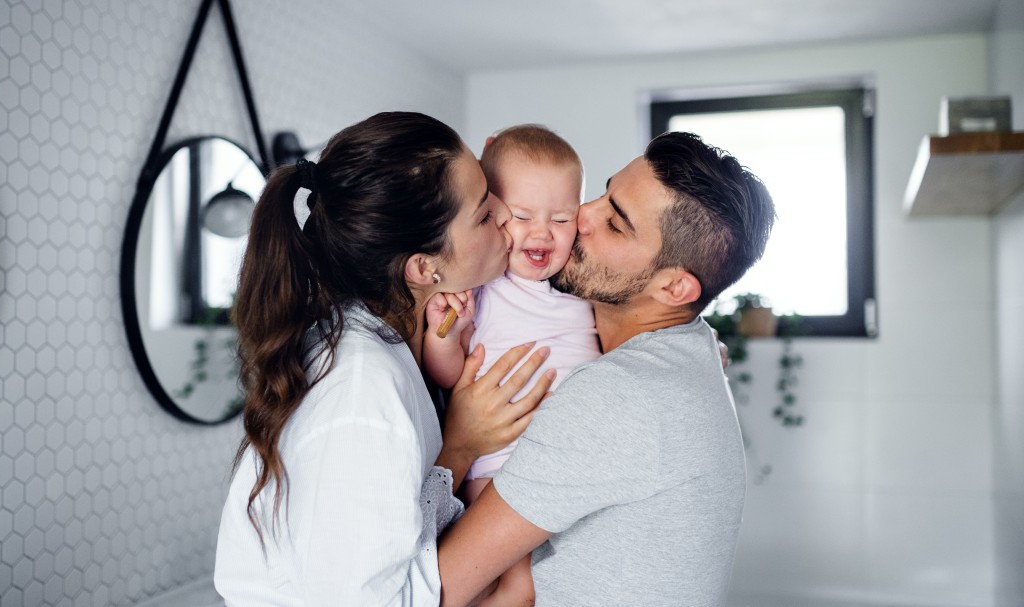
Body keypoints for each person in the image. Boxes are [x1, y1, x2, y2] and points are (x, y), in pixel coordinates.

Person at [213, 111, 557, 606]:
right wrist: (460, 445)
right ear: (423, 267)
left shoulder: (394, 339)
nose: (508, 213)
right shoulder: (361, 390)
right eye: (484, 212)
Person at [437, 131, 776, 606]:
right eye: (601, 193)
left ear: (675, 289)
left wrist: (459, 445)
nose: (582, 216)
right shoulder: (689, 348)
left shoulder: (617, 396)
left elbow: (433, 589)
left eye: (615, 225)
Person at [422, 125, 601, 606]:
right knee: (513, 583)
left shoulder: (581, 282)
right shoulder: (483, 284)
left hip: (569, 455)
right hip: (499, 453)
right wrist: (443, 333)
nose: (541, 233)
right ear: (492, 212)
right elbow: (448, 372)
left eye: (562, 220)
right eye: (521, 216)